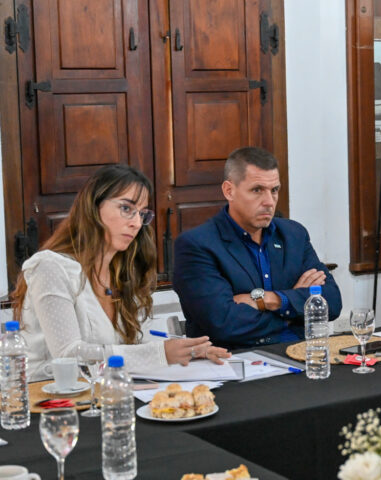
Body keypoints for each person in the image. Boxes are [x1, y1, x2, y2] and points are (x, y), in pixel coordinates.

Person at [12, 164, 230, 382]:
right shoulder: (50, 267)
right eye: (126, 208)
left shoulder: (126, 270)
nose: (136, 223)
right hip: (49, 400)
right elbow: (69, 353)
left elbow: (139, 346)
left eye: (142, 214)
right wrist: (161, 353)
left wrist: (188, 351)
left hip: (108, 393)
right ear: (93, 206)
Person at [173, 147, 342, 349]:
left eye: (274, 190)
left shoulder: (293, 235)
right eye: (257, 190)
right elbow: (225, 324)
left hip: (300, 354)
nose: (269, 202)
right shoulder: (197, 245)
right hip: (236, 363)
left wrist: (269, 300)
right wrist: (293, 308)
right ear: (229, 191)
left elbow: (331, 302)